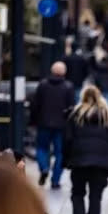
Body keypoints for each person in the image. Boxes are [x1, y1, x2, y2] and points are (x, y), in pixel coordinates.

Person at [64, 86, 108, 214]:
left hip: (79, 159)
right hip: (101, 161)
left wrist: (67, 159)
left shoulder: (75, 115)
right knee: (96, 196)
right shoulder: (106, 116)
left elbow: (67, 139)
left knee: (77, 193)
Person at [31, 61, 75, 189]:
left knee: (41, 148)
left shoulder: (43, 85)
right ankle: (55, 180)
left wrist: (34, 120)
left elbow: (35, 104)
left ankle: (44, 168)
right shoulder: (68, 87)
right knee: (60, 153)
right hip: (61, 125)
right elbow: (71, 107)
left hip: (44, 122)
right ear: (64, 73)